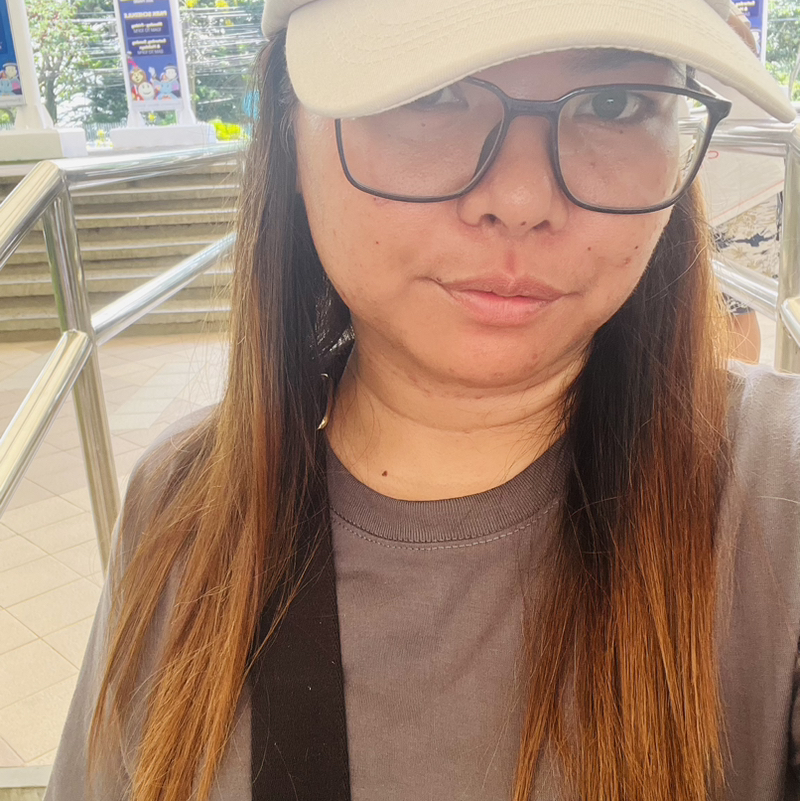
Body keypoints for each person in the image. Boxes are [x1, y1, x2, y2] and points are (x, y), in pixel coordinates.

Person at [44, 2, 800, 801]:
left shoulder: (779, 493)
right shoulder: (184, 507)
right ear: (289, 130)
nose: (522, 197)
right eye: (430, 95)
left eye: (614, 104)